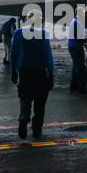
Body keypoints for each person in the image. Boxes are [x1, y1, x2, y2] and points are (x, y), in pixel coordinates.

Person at [10, 10, 54, 139]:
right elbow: (48, 58)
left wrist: (13, 71)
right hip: (40, 73)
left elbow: (13, 54)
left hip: (24, 72)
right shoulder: (43, 34)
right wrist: (51, 75)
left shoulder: (17, 33)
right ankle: (36, 130)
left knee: (25, 99)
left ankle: (24, 117)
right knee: (40, 104)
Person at [68, 7, 87, 93]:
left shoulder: (75, 22)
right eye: (84, 13)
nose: (85, 15)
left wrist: (85, 40)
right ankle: (82, 88)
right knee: (82, 68)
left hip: (73, 46)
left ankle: (74, 86)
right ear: (80, 13)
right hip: (76, 48)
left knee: (76, 67)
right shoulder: (76, 23)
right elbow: (78, 37)